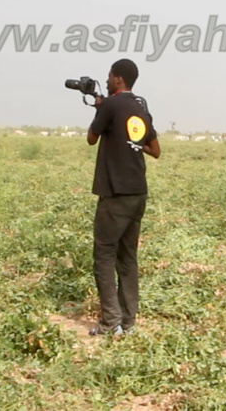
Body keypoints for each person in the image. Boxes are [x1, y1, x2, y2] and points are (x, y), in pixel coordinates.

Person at [86, 59, 161, 336]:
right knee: (128, 258)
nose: (106, 80)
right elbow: (155, 150)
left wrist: (100, 110)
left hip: (115, 193)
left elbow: (91, 138)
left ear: (118, 79)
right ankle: (128, 322)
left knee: (104, 255)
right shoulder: (141, 109)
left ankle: (109, 323)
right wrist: (131, 145)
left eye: (109, 76)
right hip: (137, 191)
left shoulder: (110, 105)